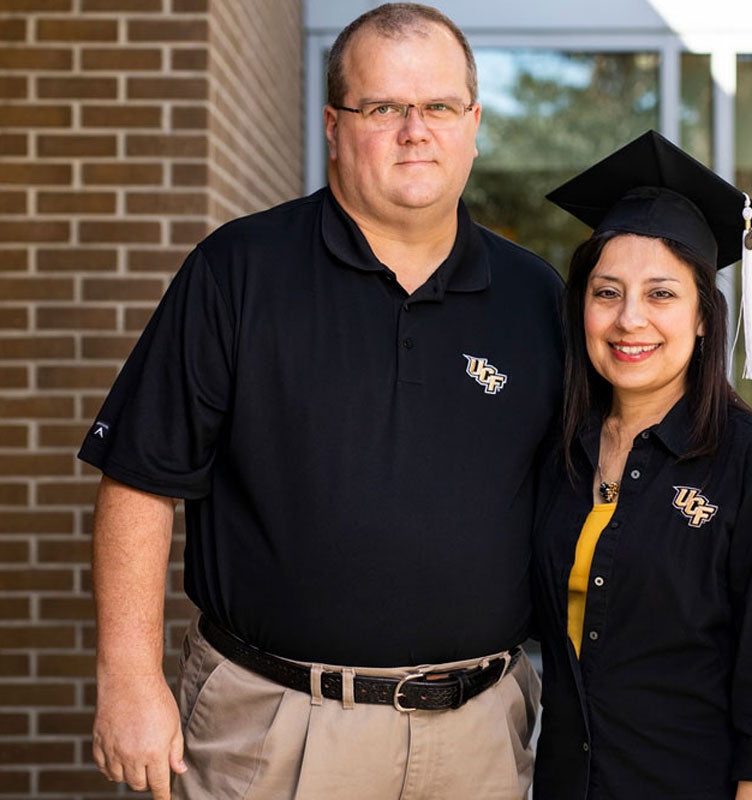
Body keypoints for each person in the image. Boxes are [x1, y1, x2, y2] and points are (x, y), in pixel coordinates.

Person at [78, 4, 563, 799]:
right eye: (384, 108)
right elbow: (139, 478)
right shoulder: (239, 272)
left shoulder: (534, 298)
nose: (416, 129)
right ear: (334, 125)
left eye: (439, 106)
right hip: (276, 731)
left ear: (473, 124)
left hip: (477, 736)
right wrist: (128, 679)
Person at [530, 130, 752, 799]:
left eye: (661, 294)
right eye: (607, 292)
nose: (630, 319)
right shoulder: (561, 454)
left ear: (701, 317)